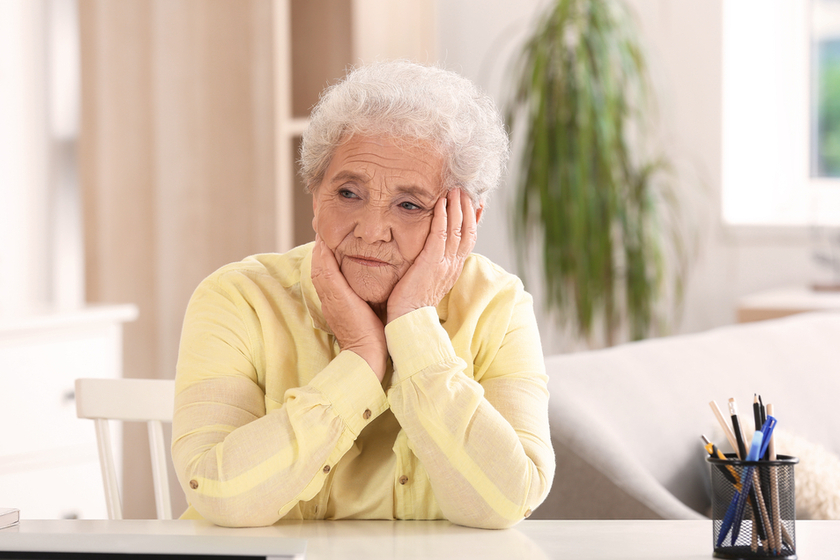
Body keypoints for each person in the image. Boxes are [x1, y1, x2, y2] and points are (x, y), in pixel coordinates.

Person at [171, 60, 554, 529]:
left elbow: (507, 502)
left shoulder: (498, 305)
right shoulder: (238, 298)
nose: (372, 231)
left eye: (410, 204)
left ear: (466, 221)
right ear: (315, 197)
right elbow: (219, 496)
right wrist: (362, 360)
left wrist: (413, 326)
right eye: (348, 193)